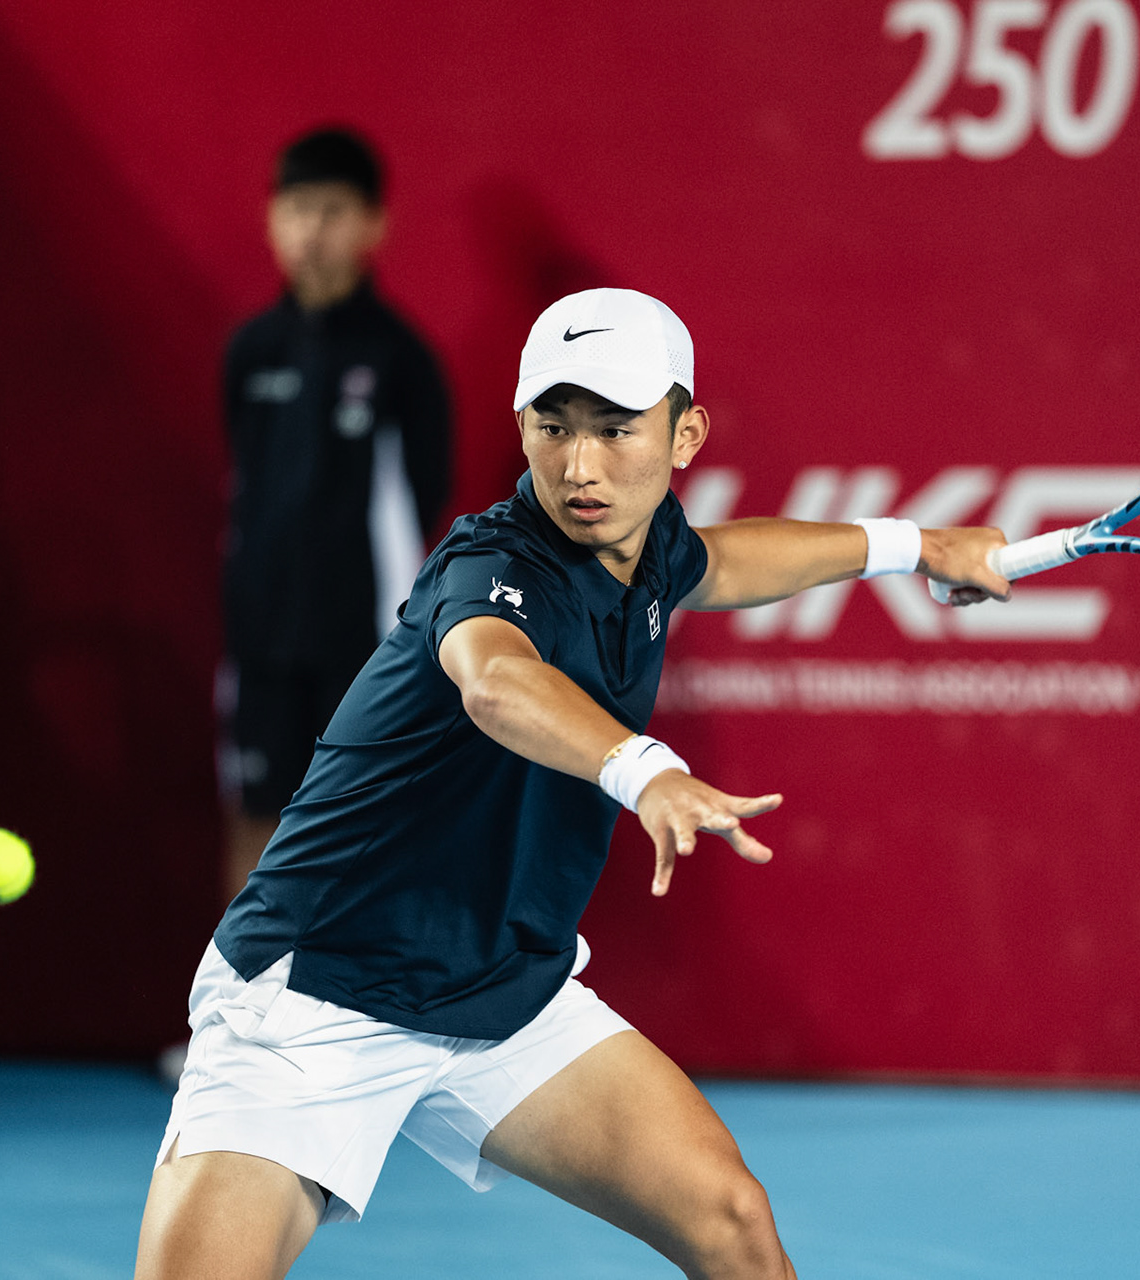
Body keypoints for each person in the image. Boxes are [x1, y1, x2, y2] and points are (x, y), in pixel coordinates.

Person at [138, 288, 1010, 1279]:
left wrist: (915, 545)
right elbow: (499, 683)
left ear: (686, 435)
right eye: (554, 427)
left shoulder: (651, 547)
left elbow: (718, 562)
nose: (581, 464)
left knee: (729, 1215)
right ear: (522, 428)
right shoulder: (489, 566)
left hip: (499, 982)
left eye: (615, 428)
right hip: (319, 992)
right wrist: (645, 770)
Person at [217, 126, 451, 900]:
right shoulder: (250, 354)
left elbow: (420, 510)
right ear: (269, 221)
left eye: (332, 210)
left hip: (365, 650)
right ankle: (239, 1022)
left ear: (373, 226)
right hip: (260, 648)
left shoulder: (404, 362)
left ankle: (368, 1019)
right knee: (256, 822)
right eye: (295, 210)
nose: (311, 231)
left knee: (371, 831)